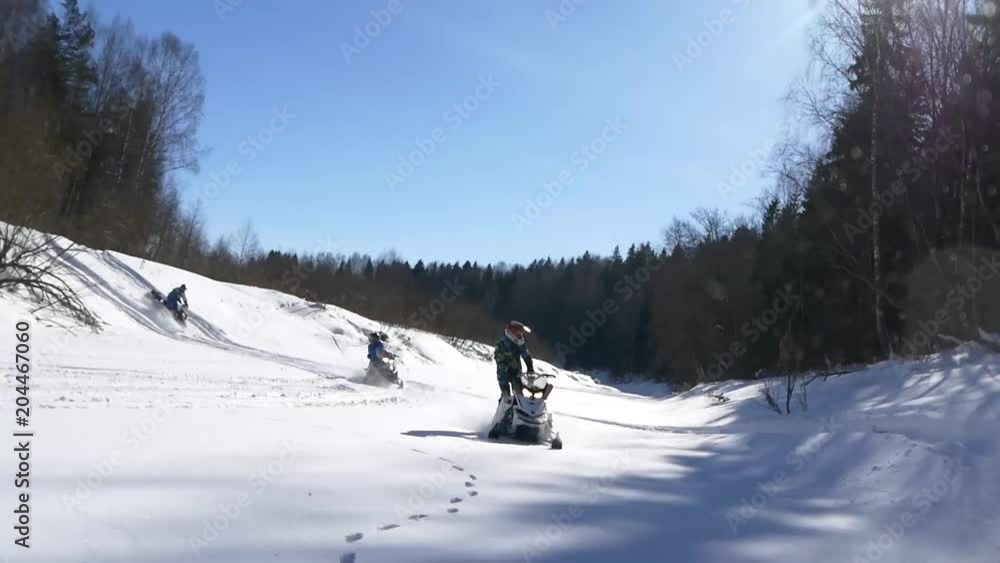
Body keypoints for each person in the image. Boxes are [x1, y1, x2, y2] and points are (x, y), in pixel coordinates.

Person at [489, 321, 534, 438]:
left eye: (521, 333)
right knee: (506, 398)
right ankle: (498, 423)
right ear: (511, 332)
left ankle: (521, 422)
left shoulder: (519, 341)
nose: (520, 335)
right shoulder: (501, 343)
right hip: (503, 374)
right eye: (519, 333)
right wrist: (507, 367)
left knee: (519, 396)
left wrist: (530, 367)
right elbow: (499, 360)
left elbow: (525, 354)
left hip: (516, 373)